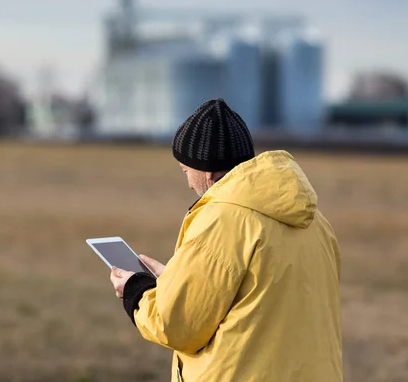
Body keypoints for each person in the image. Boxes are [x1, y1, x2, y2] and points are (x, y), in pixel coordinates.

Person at [110, 98, 342, 381]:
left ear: (207, 172)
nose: (187, 182)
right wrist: (174, 280)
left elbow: (176, 325)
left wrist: (137, 291)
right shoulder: (317, 221)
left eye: (186, 171)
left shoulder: (222, 220)